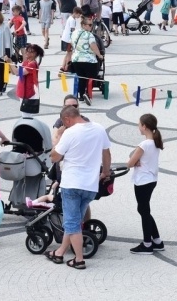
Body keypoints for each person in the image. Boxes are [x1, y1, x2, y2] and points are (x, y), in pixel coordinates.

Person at [47, 105, 111, 270]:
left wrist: (59, 136)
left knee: (72, 223)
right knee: (74, 221)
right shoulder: (98, 129)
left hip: (72, 184)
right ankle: (60, 252)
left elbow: (54, 157)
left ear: (67, 119)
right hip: (90, 185)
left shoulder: (70, 132)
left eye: (64, 123)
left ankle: (79, 259)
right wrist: (105, 172)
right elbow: (106, 154)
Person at [127, 114, 164, 255]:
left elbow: (130, 163)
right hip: (151, 179)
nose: (139, 127)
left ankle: (147, 243)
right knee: (144, 210)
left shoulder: (144, 145)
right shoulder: (155, 142)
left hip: (143, 180)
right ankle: (157, 241)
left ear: (144, 126)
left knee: (144, 211)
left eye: (139, 124)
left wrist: (134, 162)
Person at [70, 16, 103, 105]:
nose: (91, 27)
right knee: (91, 77)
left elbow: (71, 45)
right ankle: (88, 93)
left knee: (81, 77)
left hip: (76, 59)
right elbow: (93, 46)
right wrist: (99, 55)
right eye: (89, 25)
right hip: (89, 60)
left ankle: (81, 96)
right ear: (83, 25)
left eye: (91, 25)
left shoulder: (74, 33)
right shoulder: (89, 35)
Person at [10, 44, 43, 117]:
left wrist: (10, 62)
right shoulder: (26, 62)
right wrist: (10, 64)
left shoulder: (33, 64)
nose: (27, 53)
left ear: (35, 54)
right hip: (22, 90)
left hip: (28, 92)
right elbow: (15, 72)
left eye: (31, 52)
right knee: (24, 114)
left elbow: (18, 72)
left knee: (26, 115)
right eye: (27, 51)